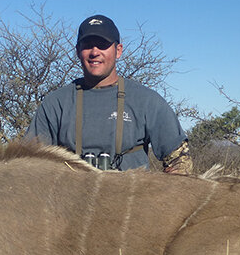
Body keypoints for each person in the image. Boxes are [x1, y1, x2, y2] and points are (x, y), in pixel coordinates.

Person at [26, 15, 192, 173]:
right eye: (87, 45)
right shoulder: (56, 103)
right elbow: (30, 163)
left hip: (130, 200)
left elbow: (180, 161)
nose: (94, 52)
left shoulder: (147, 100)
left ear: (118, 50)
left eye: (102, 45)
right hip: (71, 200)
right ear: (78, 51)